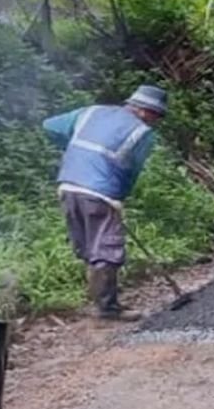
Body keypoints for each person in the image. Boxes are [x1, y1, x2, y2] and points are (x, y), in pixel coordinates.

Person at [44, 85, 166, 321]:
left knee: (89, 246)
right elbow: (132, 172)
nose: (156, 121)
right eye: (157, 115)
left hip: (68, 185)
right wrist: (119, 198)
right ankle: (106, 308)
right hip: (100, 192)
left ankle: (97, 298)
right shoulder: (141, 133)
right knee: (107, 250)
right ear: (144, 111)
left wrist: (72, 151)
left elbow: (49, 126)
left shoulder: (92, 112)